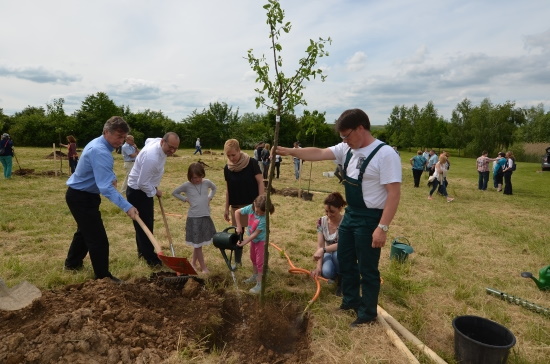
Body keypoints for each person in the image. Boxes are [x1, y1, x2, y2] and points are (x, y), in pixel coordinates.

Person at [276, 108, 401, 327]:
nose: (344, 140)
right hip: (351, 213)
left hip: (370, 218)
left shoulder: (385, 154)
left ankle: (367, 313)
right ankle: (350, 301)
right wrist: (289, 151)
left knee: (367, 268)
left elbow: (394, 193)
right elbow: (319, 153)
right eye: (342, 137)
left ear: (360, 128)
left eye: (347, 135)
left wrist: (382, 227)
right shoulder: (347, 149)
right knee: (345, 260)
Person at [64, 116, 138, 283]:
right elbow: (105, 187)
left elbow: (102, 174)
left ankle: (72, 264)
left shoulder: (100, 144)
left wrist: (111, 177)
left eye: (123, 138)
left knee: (84, 232)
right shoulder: (100, 151)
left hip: (84, 195)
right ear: (106, 132)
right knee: (98, 239)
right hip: (81, 197)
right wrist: (127, 206)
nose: (121, 141)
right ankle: (103, 277)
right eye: (118, 137)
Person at [127, 132, 180, 268]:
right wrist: (155, 191)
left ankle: (142, 253)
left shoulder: (155, 141)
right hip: (138, 192)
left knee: (142, 224)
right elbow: (142, 183)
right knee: (146, 225)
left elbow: (148, 139)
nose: (172, 151)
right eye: (170, 147)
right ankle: (151, 260)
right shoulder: (152, 158)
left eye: (175, 148)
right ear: (163, 142)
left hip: (142, 188)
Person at [172, 162, 216, 273]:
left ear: (202, 175)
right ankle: (203, 267)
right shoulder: (187, 185)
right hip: (194, 218)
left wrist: (209, 197)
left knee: (199, 243)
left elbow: (214, 188)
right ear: (190, 176)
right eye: (194, 178)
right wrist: (185, 199)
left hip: (205, 216)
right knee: (198, 245)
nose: (196, 180)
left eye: (199, 177)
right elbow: (175, 192)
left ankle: (193, 263)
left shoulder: (207, 183)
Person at [235, 194, 275, 294]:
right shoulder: (251, 208)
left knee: (260, 261)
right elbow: (237, 212)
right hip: (253, 240)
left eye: (262, 213)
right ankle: (255, 275)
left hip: (261, 241)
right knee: (253, 258)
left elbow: (256, 234)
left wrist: (244, 242)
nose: (259, 214)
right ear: (254, 205)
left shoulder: (264, 218)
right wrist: (239, 226)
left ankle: (260, 284)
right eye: (257, 212)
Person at [223, 139, 265, 228]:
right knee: (238, 235)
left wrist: (260, 203)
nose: (231, 158)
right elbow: (228, 190)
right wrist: (226, 208)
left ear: (239, 150)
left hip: (252, 206)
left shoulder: (252, 163)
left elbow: (260, 183)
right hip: (236, 207)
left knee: (255, 234)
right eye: (228, 155)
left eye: (233, 155)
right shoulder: (227, 168)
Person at [311, 192, 347, 296]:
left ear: (340, 208)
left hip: (342, 253)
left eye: (332, 211)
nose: (329, 214)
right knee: (326, 273)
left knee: (337, 255)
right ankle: (338, 272)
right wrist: (318, 267)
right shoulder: (321, 221)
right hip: (328, 253)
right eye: (326, 211)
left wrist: (323, 250)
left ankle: (343, 281)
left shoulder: (345, 222)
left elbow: (342, 245)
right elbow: (320, 245)